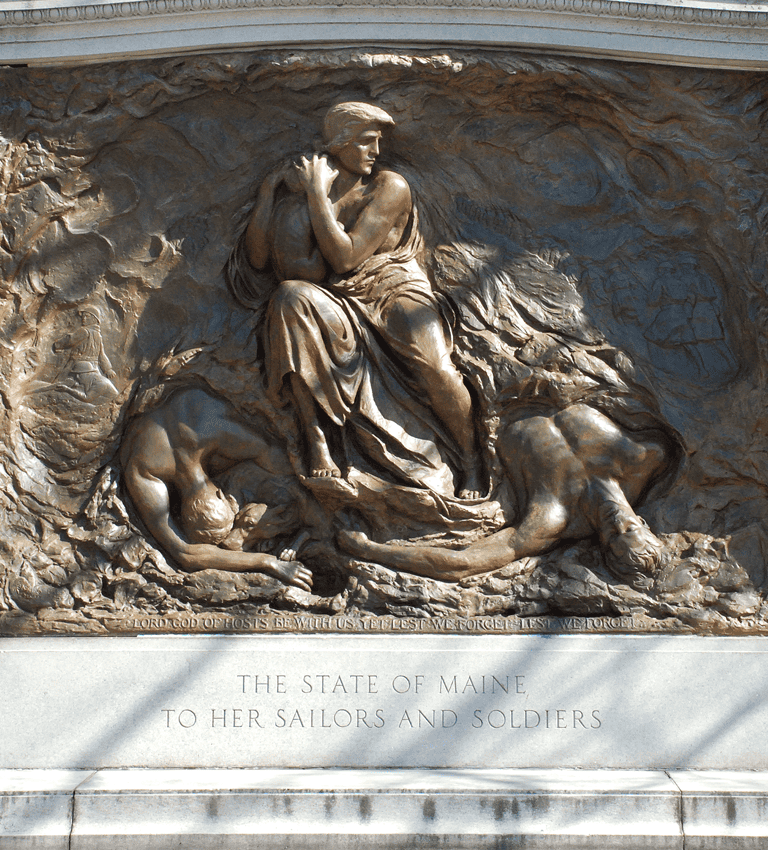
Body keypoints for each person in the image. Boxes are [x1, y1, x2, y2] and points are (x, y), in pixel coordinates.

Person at [238, 102, 484, 499]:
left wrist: (316, 194)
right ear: (339, 144)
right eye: (366, 142)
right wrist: (269, 191)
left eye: (378, 142)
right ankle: (317, 441)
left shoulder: (389, 187)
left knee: (436, 368)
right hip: (338, 296)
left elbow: (346, 257)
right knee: (288, 299)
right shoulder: (310, 197)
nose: (376, 151)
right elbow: (258, 259)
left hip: (393, 289)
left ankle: (472, 461)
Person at [339, 400, 670, 586]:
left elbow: (462, 564)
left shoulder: (552, 519)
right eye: (629, 528)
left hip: (480, 408)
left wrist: (369, 550)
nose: (617, 523)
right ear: (643, 522)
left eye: (613, 535)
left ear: (602, 544)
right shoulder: (645, 459)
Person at [120, 387, 313, 590]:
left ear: (222, 493)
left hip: (187, 403)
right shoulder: (143, 473)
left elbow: (275, 457)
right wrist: (266, 561)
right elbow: (186, 554)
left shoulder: (146, 473)